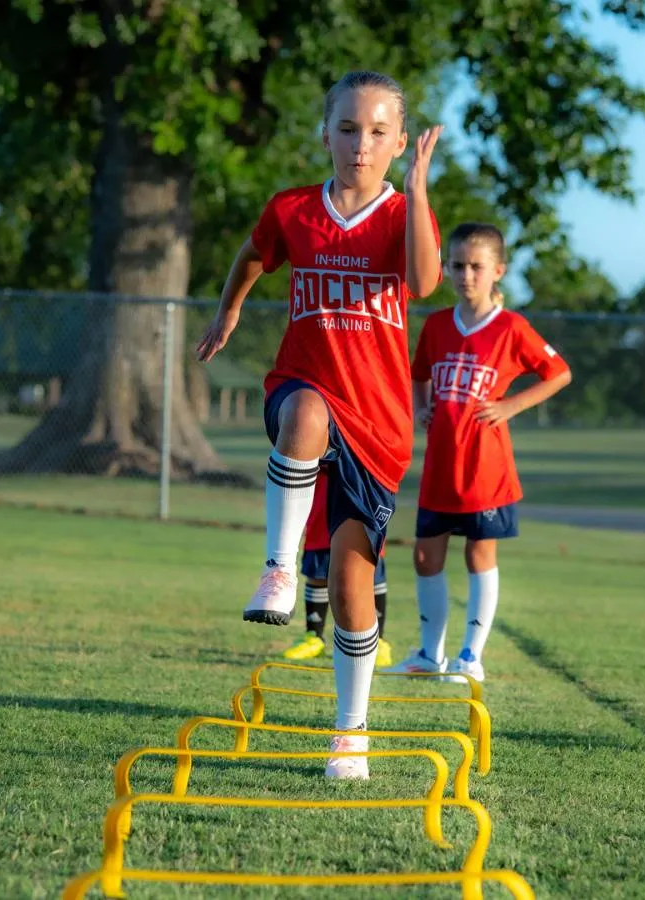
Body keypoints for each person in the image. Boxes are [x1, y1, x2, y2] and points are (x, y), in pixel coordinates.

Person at [197, 70, 442, 779]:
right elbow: (251, 256)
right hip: (303, 387)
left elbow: (424, 282)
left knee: (349, 579)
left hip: (379, 422)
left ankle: (350, 731)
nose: (359, 145)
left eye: (376, 132)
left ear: (398, 141)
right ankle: (276, 570)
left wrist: (421, 190)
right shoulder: (294, 209)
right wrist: (228, 310)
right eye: (346, 128)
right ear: (325, 132)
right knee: (304, 412)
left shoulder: (401, 216)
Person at [388, 222, 571, 683]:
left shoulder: (511, 327)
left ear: (498, 271)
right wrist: (424, 407)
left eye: (476, 266)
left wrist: (511, 405)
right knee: (426, 557)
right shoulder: (435, 325)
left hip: (486, 469)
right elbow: (420, 373)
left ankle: (471, 656)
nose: (466, 275)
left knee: (478, 555)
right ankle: (431, 654)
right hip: (440, 467)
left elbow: (558, 373)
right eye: (457, 265)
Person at [284, 470, 393, 667]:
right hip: (322, 503)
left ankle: (380, 641)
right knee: (318, 571)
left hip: (364, 498)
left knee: (370, 573)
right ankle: (313, 636)